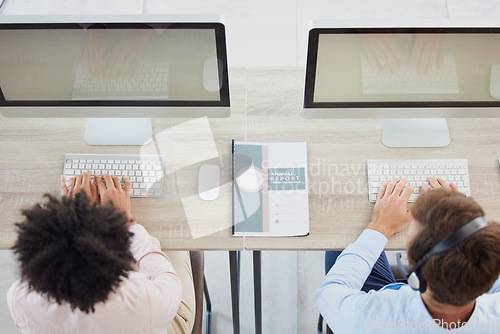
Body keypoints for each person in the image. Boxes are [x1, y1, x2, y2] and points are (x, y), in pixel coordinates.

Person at [7, 171, 195, 333]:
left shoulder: (19, 297)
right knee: (175, 250)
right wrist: (126, 221)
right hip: (157, 321)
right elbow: (166, 277)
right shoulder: (147, 302)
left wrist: (76, 213)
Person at [315, 177, 500, 333]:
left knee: (349, 236)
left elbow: (328, 293)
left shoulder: (373, 317)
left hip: (387, 304)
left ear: (413, 267)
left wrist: (380, 227)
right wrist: (457, 217)